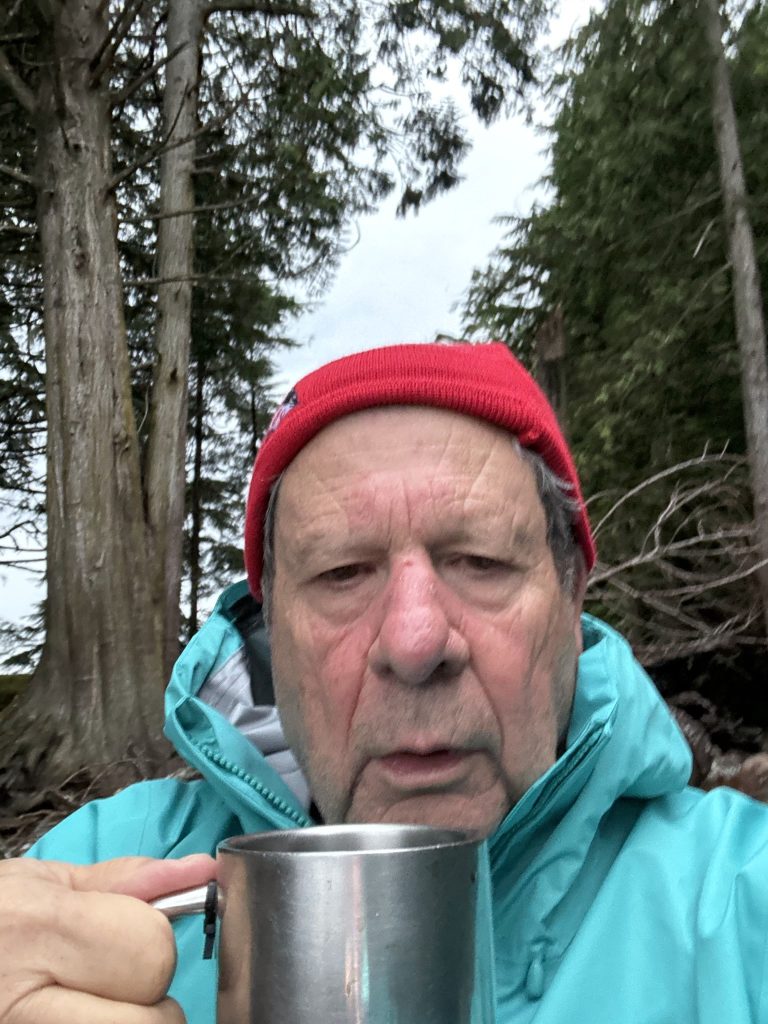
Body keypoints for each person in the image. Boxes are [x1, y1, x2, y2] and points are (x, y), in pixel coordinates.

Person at [3, 341, 768, 1024]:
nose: (415, 641)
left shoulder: (739, 902)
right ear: (274, 632)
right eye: (341, 574)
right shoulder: (101, 865)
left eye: (481, 563)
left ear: (573, 602)